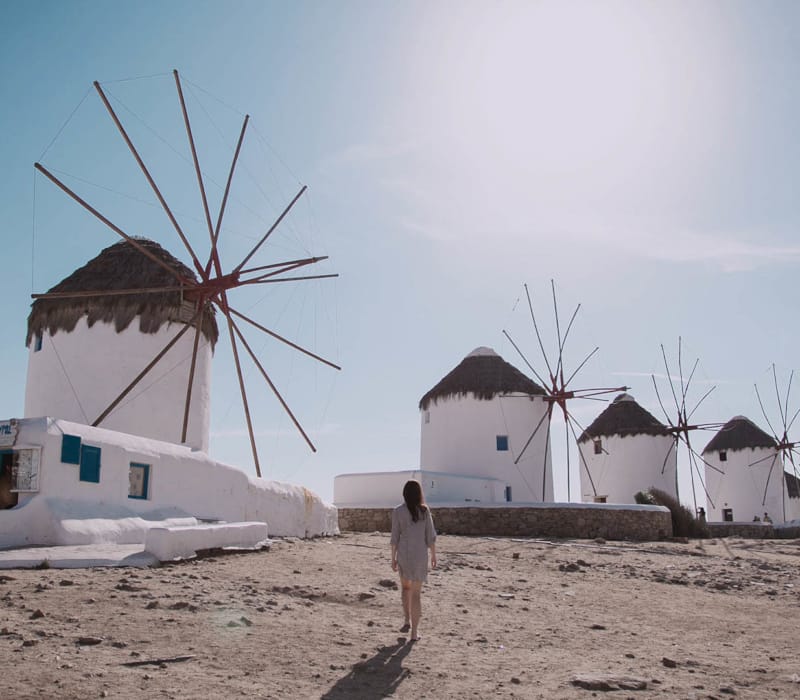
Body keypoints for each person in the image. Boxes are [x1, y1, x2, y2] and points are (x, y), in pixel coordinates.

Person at [390, 479, 436, 642]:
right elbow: (430, 536)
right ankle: (414, 633)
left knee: (405, 588)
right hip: (419, 556)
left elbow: (395, 537)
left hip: (404, 554)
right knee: (416, 594)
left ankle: (406, 620)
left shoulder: (398, 511)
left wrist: (393, 558)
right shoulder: (425, 511)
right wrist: (434, 555)